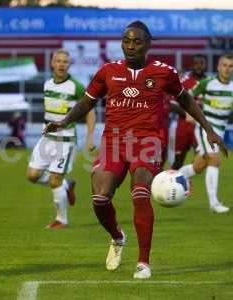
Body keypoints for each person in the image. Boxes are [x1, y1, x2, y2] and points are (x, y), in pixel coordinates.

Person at [44, 21, 226, 279]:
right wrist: (63, 121)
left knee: (140, 193)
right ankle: (118, 237)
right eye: (127, 41)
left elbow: (185, 99)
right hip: (114, 142)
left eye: (137, 41)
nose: (130, 46)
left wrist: (207, 128)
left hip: (148, 142)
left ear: (148, 44)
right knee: (100, 198)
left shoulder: (164, 72)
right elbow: (86, 102)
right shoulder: (107, 71)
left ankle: (143, 262)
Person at [27, 49, 96, 229]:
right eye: (58, 61)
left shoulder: (76, 86)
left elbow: (89, 111)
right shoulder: (47, 84)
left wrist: (90, 137)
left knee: (54, 181)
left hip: (65, 141)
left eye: (65, 61)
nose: (61, 64)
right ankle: (67, 184)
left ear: (69, 64)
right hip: (46, 138)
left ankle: (61, 220)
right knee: (32, 176)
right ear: (52, 63)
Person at [179, 54, 233, 213]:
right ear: (218, 67)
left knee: (198, 166)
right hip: (205, 129)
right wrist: (189, 113)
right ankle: (214, 203)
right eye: (224, 65)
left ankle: (174, 177)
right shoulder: (207, 83)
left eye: (230, 66)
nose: (227, 69)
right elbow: (186, 96)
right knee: (214, 160)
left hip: (220, 131)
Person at [170, 54, 207, 169]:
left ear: (206, 65)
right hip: (184, 127)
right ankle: (172, 182)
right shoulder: (183, 82)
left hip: (201, 127)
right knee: (178, 162)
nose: (199, 67)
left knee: (202, 161)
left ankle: (187, 180)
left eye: (201, 63)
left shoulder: (210, 83)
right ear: (192, 65)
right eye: (196, 64)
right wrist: (186, 113)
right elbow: (172, 104)